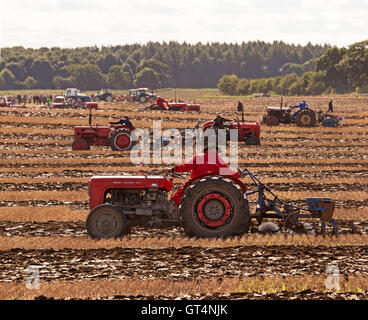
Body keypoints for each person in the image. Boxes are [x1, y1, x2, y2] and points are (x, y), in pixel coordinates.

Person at [169, 141, 240, 205]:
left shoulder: (198, 157)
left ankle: (182, 212)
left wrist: (174, 169)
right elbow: (228, 172)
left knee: (176, 197)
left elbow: (185, 167)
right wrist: (237, 174)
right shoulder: (218, 159)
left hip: (195, 184)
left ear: (206, 150)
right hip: (213, 185)